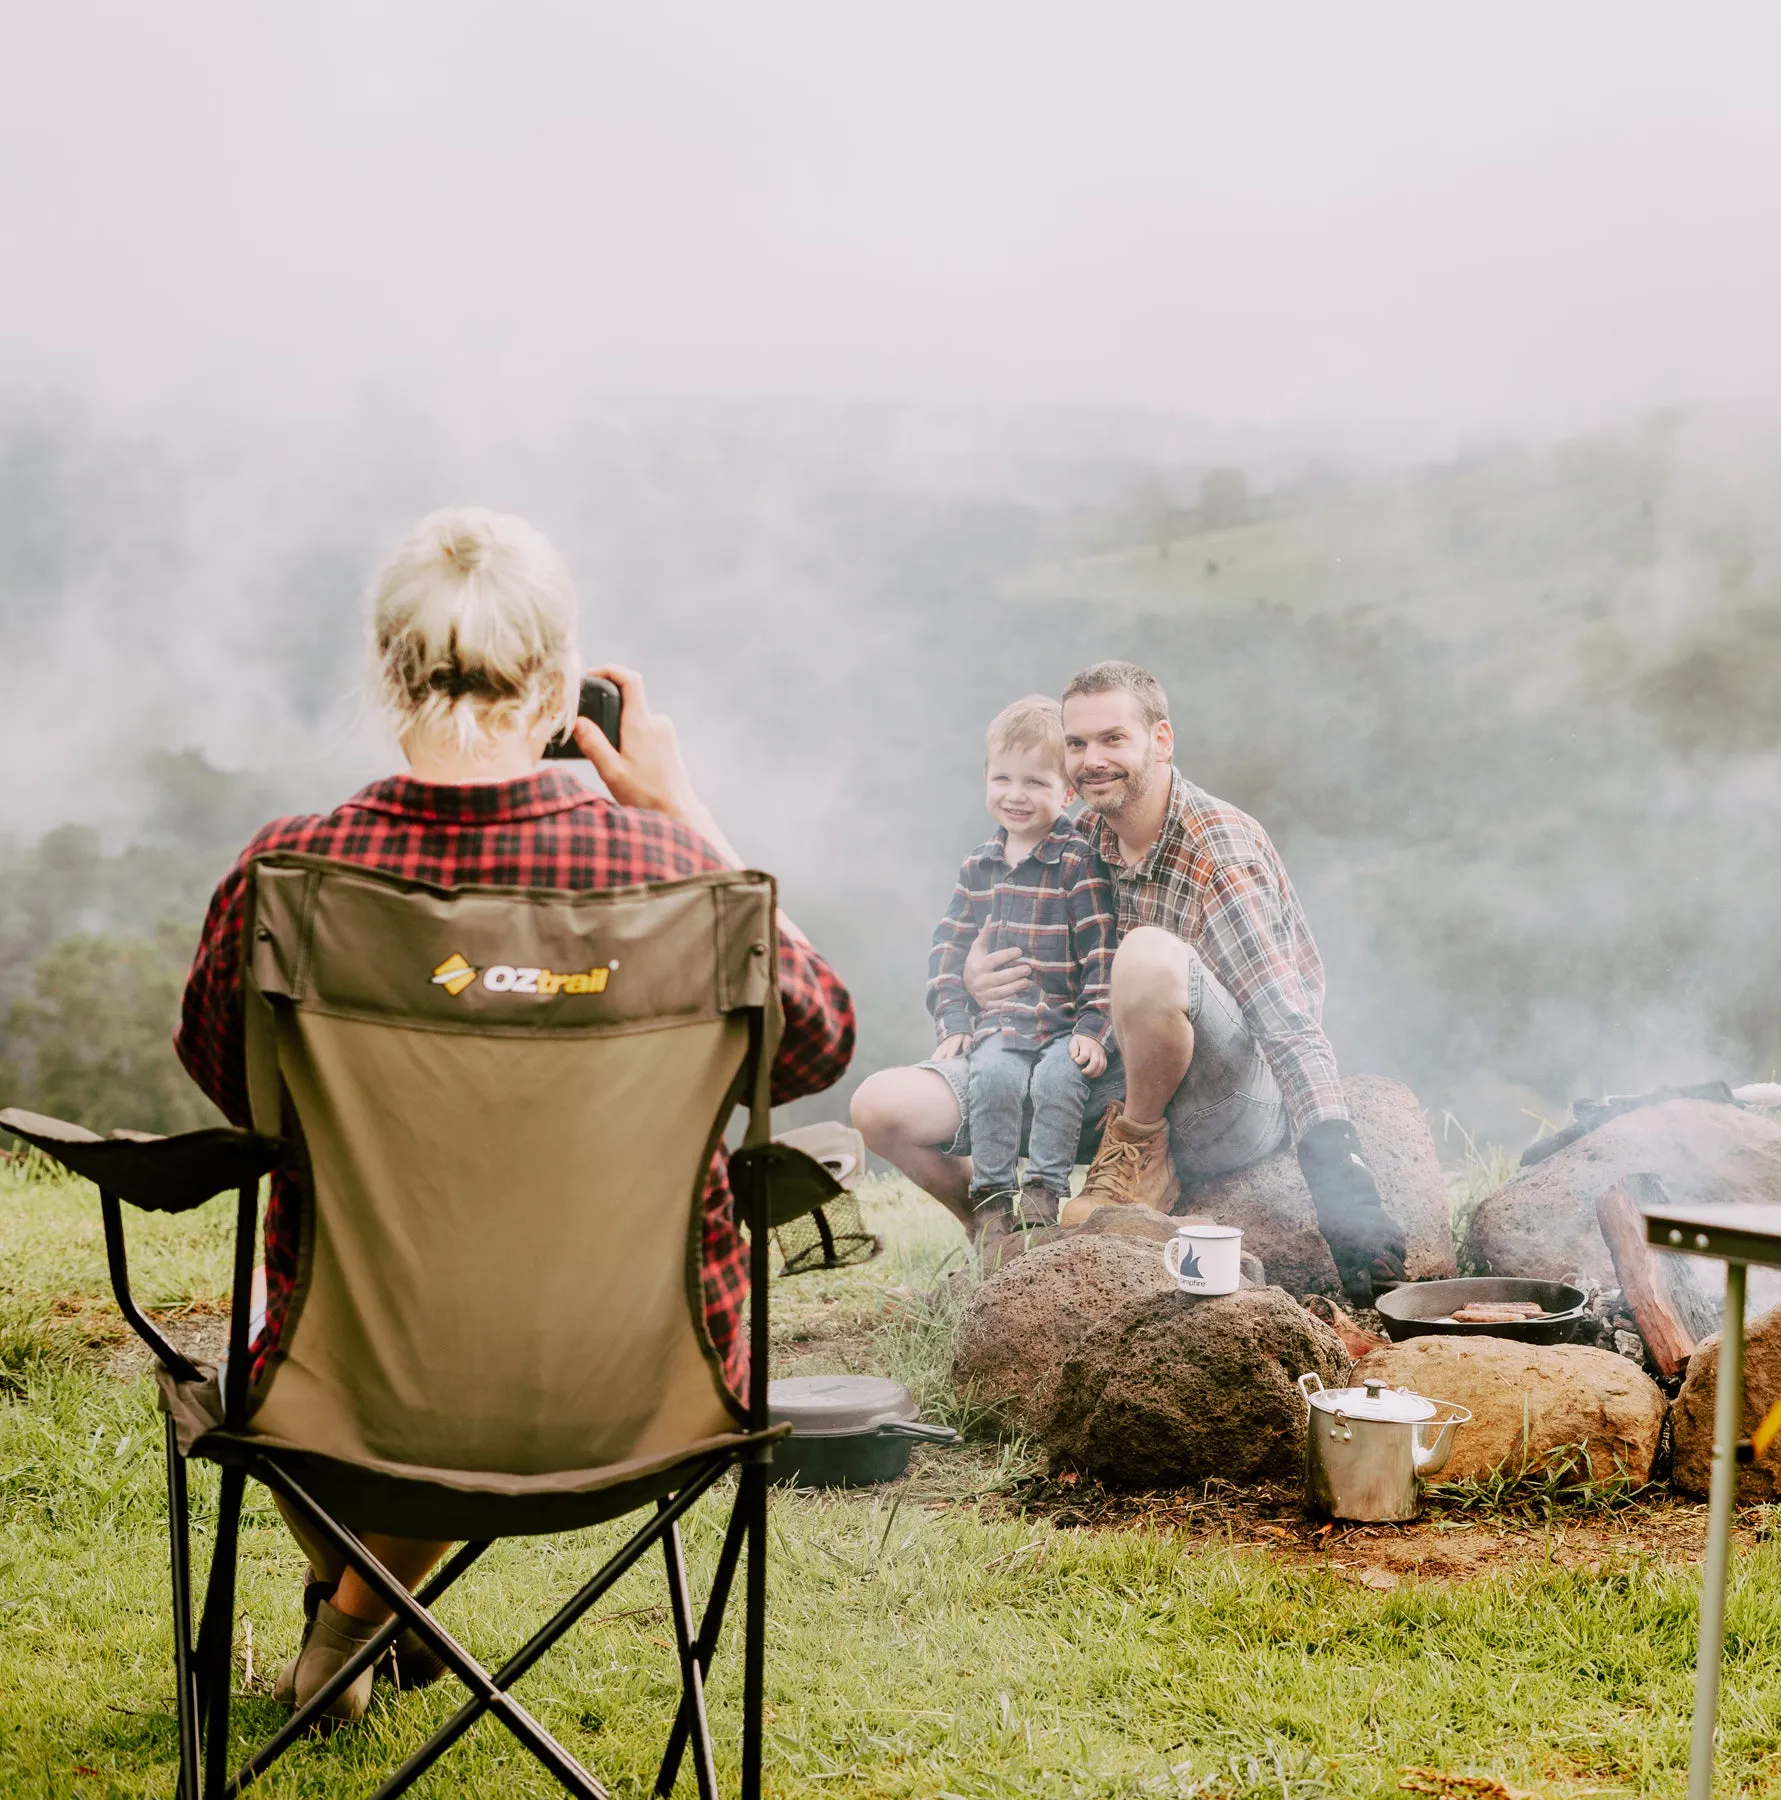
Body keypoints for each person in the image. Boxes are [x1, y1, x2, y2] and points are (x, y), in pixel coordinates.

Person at [174, 506, 855, 1723]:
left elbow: (239, 1087)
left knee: (317, 1353)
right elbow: (820, 1038)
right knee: (482, 1311)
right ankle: (351, 1631)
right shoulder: (682, 885)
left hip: (346, 1396)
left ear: (388, 671)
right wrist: (689, 817)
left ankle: (351, 1615)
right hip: (652, 1403)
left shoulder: (290, 878)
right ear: (560, 690)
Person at [852, 659, 1404, 1299]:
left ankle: (1140, 1154)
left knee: (1142, 954)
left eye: (1113, 739)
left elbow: (1290, 1028)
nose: (1091, 760)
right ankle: (1004, 1241)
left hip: (1221, 1105)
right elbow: (993, 937)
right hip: (1094, 1073)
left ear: (1161, 741)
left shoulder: (1217, 850)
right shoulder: (1073, 837)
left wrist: (1348, 1192)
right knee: (881, 1109)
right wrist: (975, 981)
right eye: (1077, 743)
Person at [925, 695, 1113, 1238]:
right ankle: (992, 1192)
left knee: (1058, 1078)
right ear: (986, 777)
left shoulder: (1078, 861)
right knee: (994, 1078)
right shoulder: (978, 866)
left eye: (1035, 782)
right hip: (1002, 1023)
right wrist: (954, 1021)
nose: (1016, 795)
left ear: (1067, 791)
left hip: (1064, 1022)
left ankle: (1045, 1189)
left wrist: (1095, 1028)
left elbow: (1102, 952)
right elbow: (949, 951)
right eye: (1003, 778)